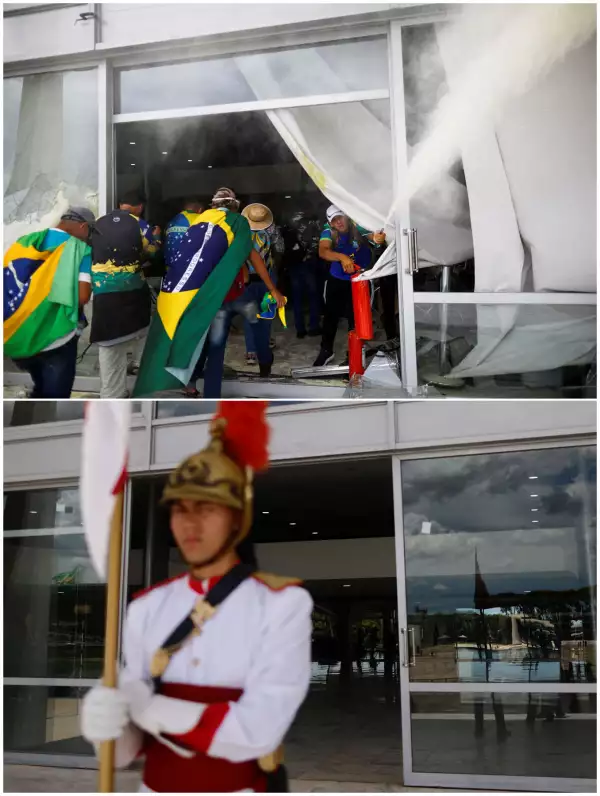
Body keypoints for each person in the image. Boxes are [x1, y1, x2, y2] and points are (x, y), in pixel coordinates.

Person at [80, 401, 313, 793]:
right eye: (180, 509)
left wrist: (148, 707)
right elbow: (126, 753)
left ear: (238, 517)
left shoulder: (283, 604)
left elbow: (257, 730)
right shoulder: (146, 607)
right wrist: (108, 727)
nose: (189, 523)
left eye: (206, 508)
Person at [182, 194, 284, 399]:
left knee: (213, 346)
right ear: (235, 208)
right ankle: (265, 367)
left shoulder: (199, 225)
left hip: (214, 295)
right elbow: (255, 259)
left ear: (212, 206)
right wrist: (272, 288)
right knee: (259, 329)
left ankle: (203, 391)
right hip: (237, 294)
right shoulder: (237, 224)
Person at [4, 206, 95, 398]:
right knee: (55, 396)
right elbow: (82, 297)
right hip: (56, 337)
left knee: (39, 390)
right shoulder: (80, 250)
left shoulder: (25, 242)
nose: (89, 236)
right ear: (82, 226)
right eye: (90, 231)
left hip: (19, 333)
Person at [90, 192, 161, 398]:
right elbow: (153, 252)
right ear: (139, 207)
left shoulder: (98, 223)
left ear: (120, 204)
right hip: (132, 294)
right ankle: (139, 367)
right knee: (145, 329)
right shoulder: (140, 224)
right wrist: (156, 237)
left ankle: (112, 393)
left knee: (110, 346)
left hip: (103, 295)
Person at [313, 205, 386, 367]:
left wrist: (377, 239)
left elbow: (374, 237)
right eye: (334, 220)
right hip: (336, 278)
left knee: (357, 319)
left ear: (346, 216)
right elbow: (323, 251)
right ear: (330, 223)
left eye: (340, 217)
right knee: (330, 317)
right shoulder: (328, 231)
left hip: (360, 279)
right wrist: (342, 257)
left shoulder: (358, 225)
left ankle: (354, 353)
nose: (338, 222)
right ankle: (326, 350)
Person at [241, 204, 280, 366]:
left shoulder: (240, 231)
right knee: (266, 311)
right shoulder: (272, 230)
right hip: (268, 275)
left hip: (246, 277)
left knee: (249, 314)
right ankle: (264, 345)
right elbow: (280, 248)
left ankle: (251, 351)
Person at [282, 211, 322, 339]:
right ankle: (313, 327)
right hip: (308, 264)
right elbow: (316, 245)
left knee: (297, 298)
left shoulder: (287, 227)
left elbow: (282, 248)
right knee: (313, 296)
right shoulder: (311, 225)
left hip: (293, 265)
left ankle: (300, 329)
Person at [164, 198, 204, 272]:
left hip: (169, 266)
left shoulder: (171, 222)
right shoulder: (199, 219)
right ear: (200, 210)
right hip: (187, 267)